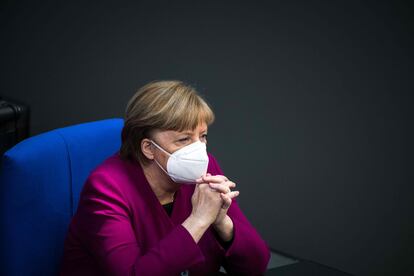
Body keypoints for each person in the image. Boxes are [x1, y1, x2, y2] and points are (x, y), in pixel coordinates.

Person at [60, 80, 270, 275]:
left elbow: (256, 265)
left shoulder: (204, 169)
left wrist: (222, 222)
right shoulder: (106, 187)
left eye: (202, 136)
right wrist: (198, 220)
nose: (199, 150)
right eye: (184, 139)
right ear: (149, 148)